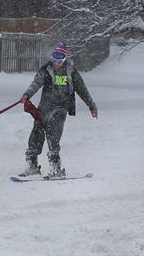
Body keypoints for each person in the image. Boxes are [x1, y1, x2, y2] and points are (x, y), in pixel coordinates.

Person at [19, 43, 98, 178]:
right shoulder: (45, 70)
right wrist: (27, 95)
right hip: (44, 107)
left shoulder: (71, 71)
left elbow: (82, 89)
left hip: (61, 107)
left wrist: (92, 106)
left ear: (64, 58)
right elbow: (35, 83)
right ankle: (32, 166)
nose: (56, 62)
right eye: (54, 58)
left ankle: (55, 168)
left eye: (59, 59)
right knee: (36, 133)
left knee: (53, 132)